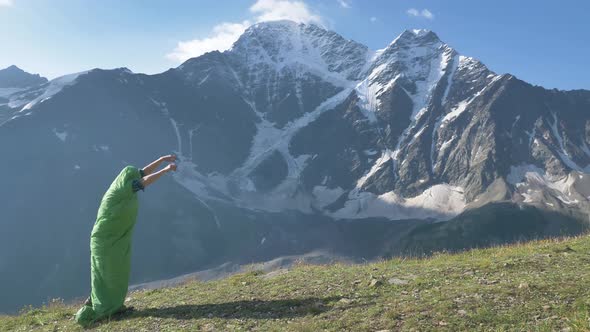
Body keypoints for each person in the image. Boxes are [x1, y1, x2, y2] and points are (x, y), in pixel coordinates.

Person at [75, 155, 177, 326]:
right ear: (127, 180)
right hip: (105, 240)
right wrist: (166, 170)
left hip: (117, 237)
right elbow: (143, 182)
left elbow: (142, 173)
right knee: (108, 274)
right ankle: (104, 309)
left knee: (118, 272)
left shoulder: (123, 184)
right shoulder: (120, 190)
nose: (136, 179)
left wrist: (162, 159)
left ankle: (115, 306)